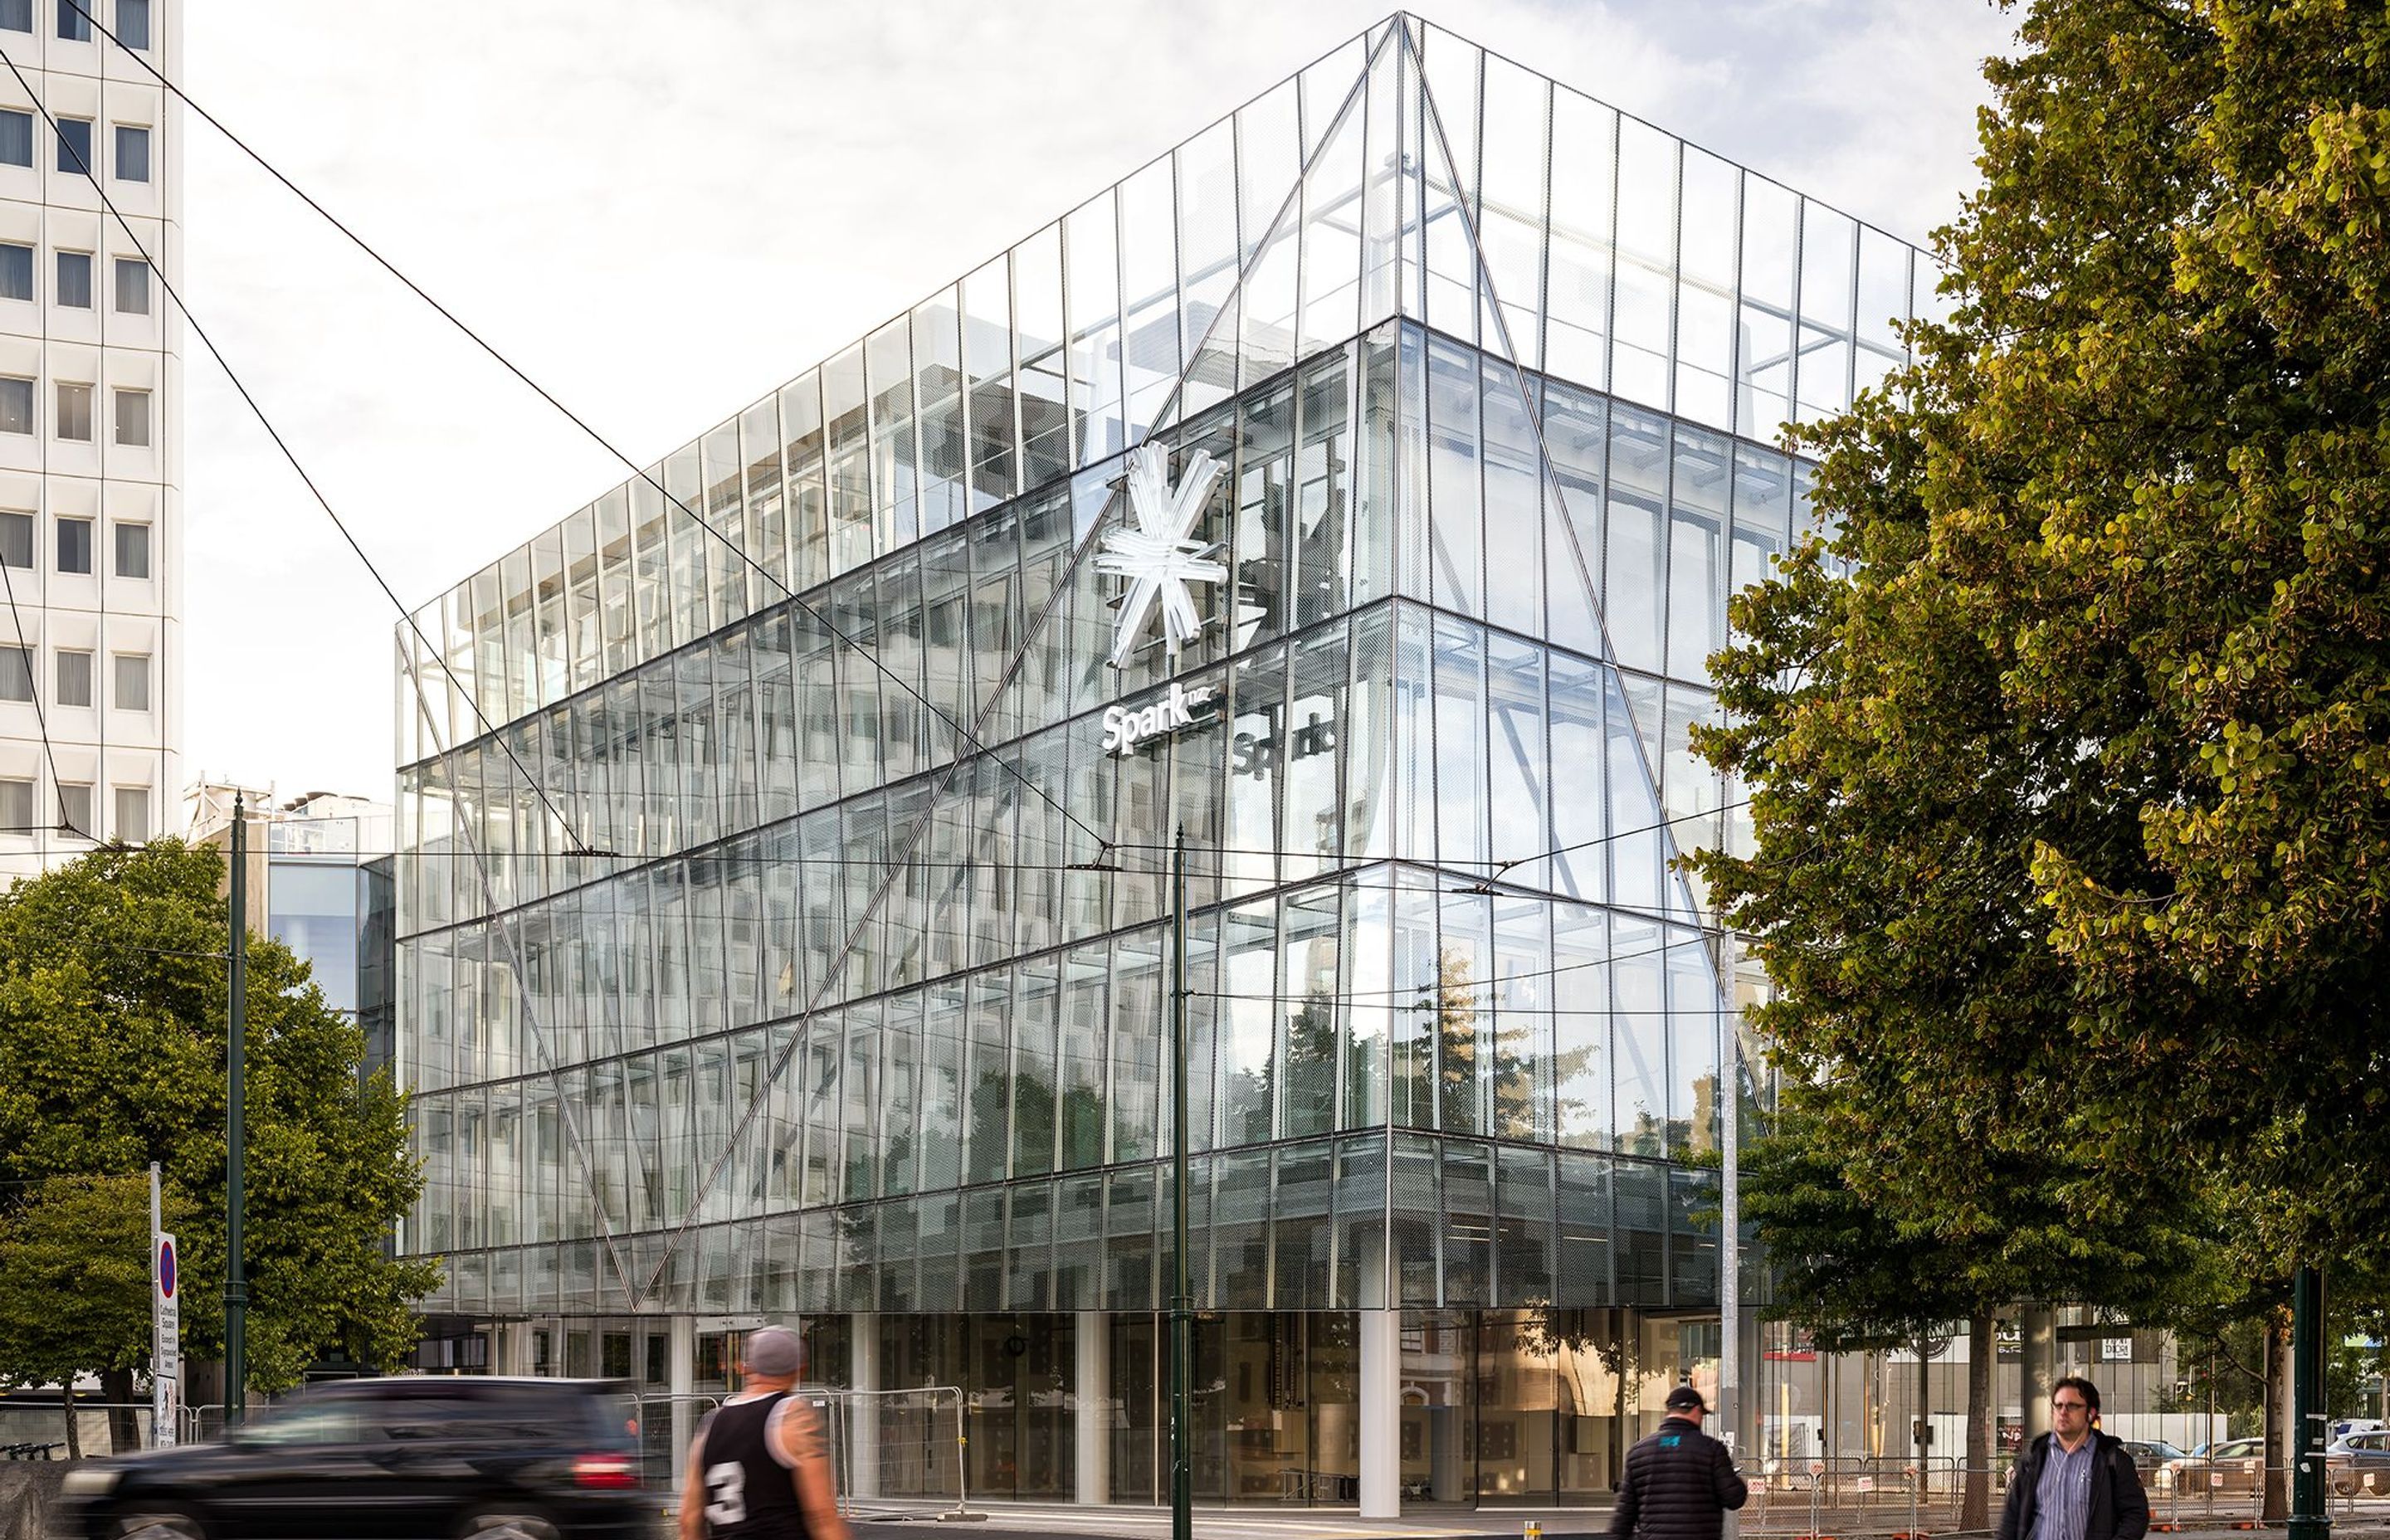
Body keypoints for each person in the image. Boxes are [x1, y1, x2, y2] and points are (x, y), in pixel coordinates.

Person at [678, 1325, 849, 1540]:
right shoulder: (792, 1415)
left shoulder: (710, 1424)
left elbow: (689, 1519)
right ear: (800, 1370)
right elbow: (821, 1516)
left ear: (746, 1368)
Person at [1996, 1376, 2149, 1540]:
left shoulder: (2111, 1460)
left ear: (2091, 1413)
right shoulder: (2035, 1457)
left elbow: (2136, 1514)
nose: (2063, 1412)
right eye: (2058, 1405)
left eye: (2072, 1406)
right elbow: (2012, 1516)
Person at [1610, 1384, 1749, 1540]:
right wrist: (1738, 1481)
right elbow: (1734, 1499)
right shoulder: (1712, 1450)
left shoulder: (1638, 1452)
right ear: (1696, 1410)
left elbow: (1624, 1515)